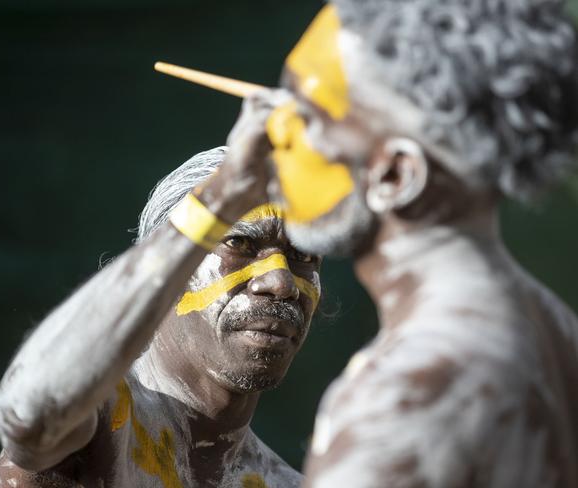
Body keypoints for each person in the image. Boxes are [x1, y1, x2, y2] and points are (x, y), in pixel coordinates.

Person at [226, 0, 578, 486]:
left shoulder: (406, 389)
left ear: (393, 175)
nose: (273, 133)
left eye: (304, 116)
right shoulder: (555, 329)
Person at [0, 147, 322, 487]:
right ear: (166, 269)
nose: (281, 283)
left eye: (303, 255)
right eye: (238, 243)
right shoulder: (94, 414)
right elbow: (29, 413)